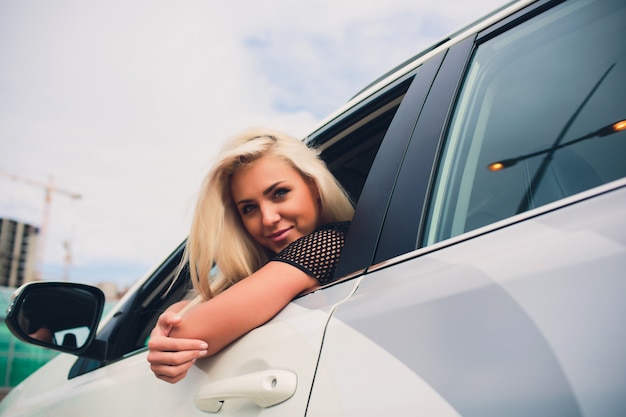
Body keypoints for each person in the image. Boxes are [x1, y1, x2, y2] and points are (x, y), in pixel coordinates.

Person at [147, 128, 354, 383]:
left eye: (279, 193)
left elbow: (186, 332)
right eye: (249, 208)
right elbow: (189, 316)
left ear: (314, 187)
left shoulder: (329, 243)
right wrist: (165, 323)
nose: (268, 219)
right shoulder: (281, 264)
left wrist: (170, 332)